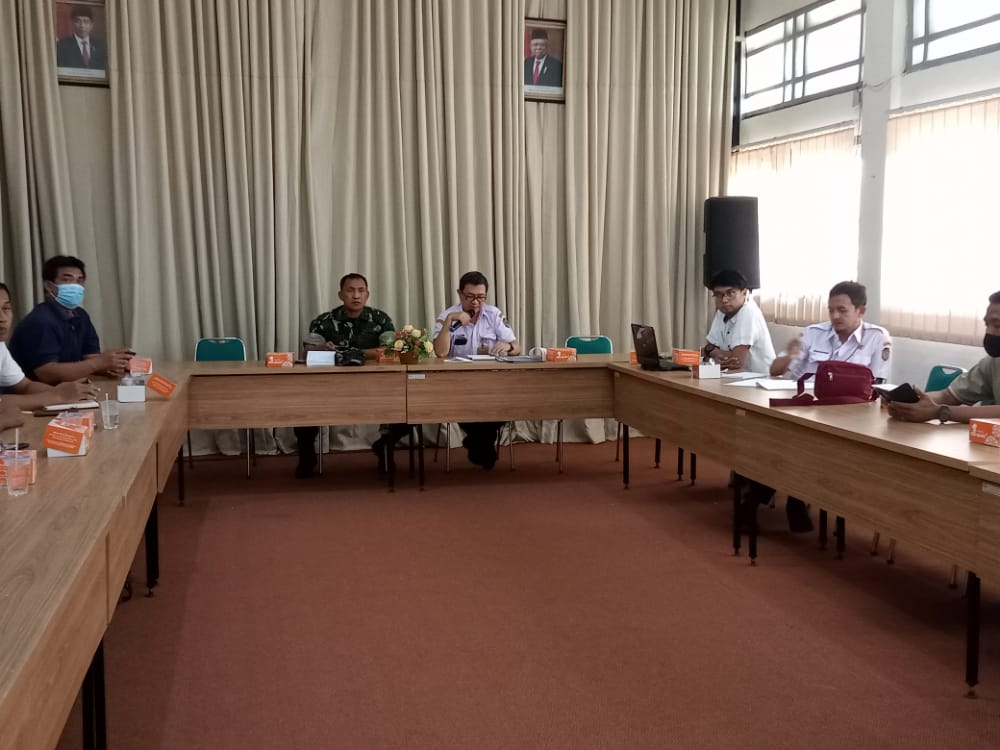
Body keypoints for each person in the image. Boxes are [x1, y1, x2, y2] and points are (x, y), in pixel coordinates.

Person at [761, 280, 892, 532]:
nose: (835, 316)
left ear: (861, 311)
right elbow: (778, 372)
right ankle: (780, 495)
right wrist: (791, 356)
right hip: (808, 408)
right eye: (831, 310)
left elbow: (877, 385)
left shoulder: (878, 338)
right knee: (777, 435)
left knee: (806, 445)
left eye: (842, 310)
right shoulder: (813, 333)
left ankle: (788, 496)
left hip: (850, 414)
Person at [293, 273, 407, 479]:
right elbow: (309, 351)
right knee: (303, 404)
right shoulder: (324, 321)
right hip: (331, 385)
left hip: (374, 384)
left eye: (361, 291)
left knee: (404, 404)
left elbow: (390, 350)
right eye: (350, 290)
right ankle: (307, 458)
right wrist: (322, 348)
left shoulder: (380, 319)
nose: (356, 295)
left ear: (367, 294)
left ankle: (385, 449)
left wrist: (354, 353)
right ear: (340, 294)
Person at [432, 271, 520, 469]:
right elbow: (440, 352)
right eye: (470, 297)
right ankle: (482, 444)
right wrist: (450, 321)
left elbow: (517, 347)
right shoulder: (447, 316)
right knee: (468, 406)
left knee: (508, 403)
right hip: (458, 384)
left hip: (492, 382)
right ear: (459, 294)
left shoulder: (494, 314)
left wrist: (508, 346)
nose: (475, 302)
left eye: (481, 297)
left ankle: (476, 441)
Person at [8, 256, 133, 385]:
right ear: (48, 286)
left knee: (130, 389)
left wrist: (114, 362)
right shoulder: (41, 320)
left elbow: (89, 356)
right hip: (35, 392)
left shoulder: (81, 315)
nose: (75, 286)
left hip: (69, 388)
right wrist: (98, 363)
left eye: (79, 281)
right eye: (67, 280)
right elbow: (46, 373)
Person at [889, 291, 1000, 424]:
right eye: (987, 325)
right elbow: (949, 396)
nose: (989, 332)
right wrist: (911, 402)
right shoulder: (993, 363)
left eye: (997, 325)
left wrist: (940, 412)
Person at [0, 282, 99, 406]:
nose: (2, 318)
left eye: (6, 308)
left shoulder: (1, 347)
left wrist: (65, 392)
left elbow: (25, 385)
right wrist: (58, 396)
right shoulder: (40, 319)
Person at [702, 269, 776, 374]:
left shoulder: (748, 312)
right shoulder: (722, 312)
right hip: (732, 376)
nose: (724, 300)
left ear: (744, 293)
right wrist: (711, 352)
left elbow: (736, 361)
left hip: (759, 378)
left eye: (730, 293)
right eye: (718, 295)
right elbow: (708, 351)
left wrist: (711, 351)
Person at [56, 5, 107, 70]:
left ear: (92, 25)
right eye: (78, 21)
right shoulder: (62, 45)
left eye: (86, 21)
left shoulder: (100, 46)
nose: (82, 25)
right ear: (72, 23)